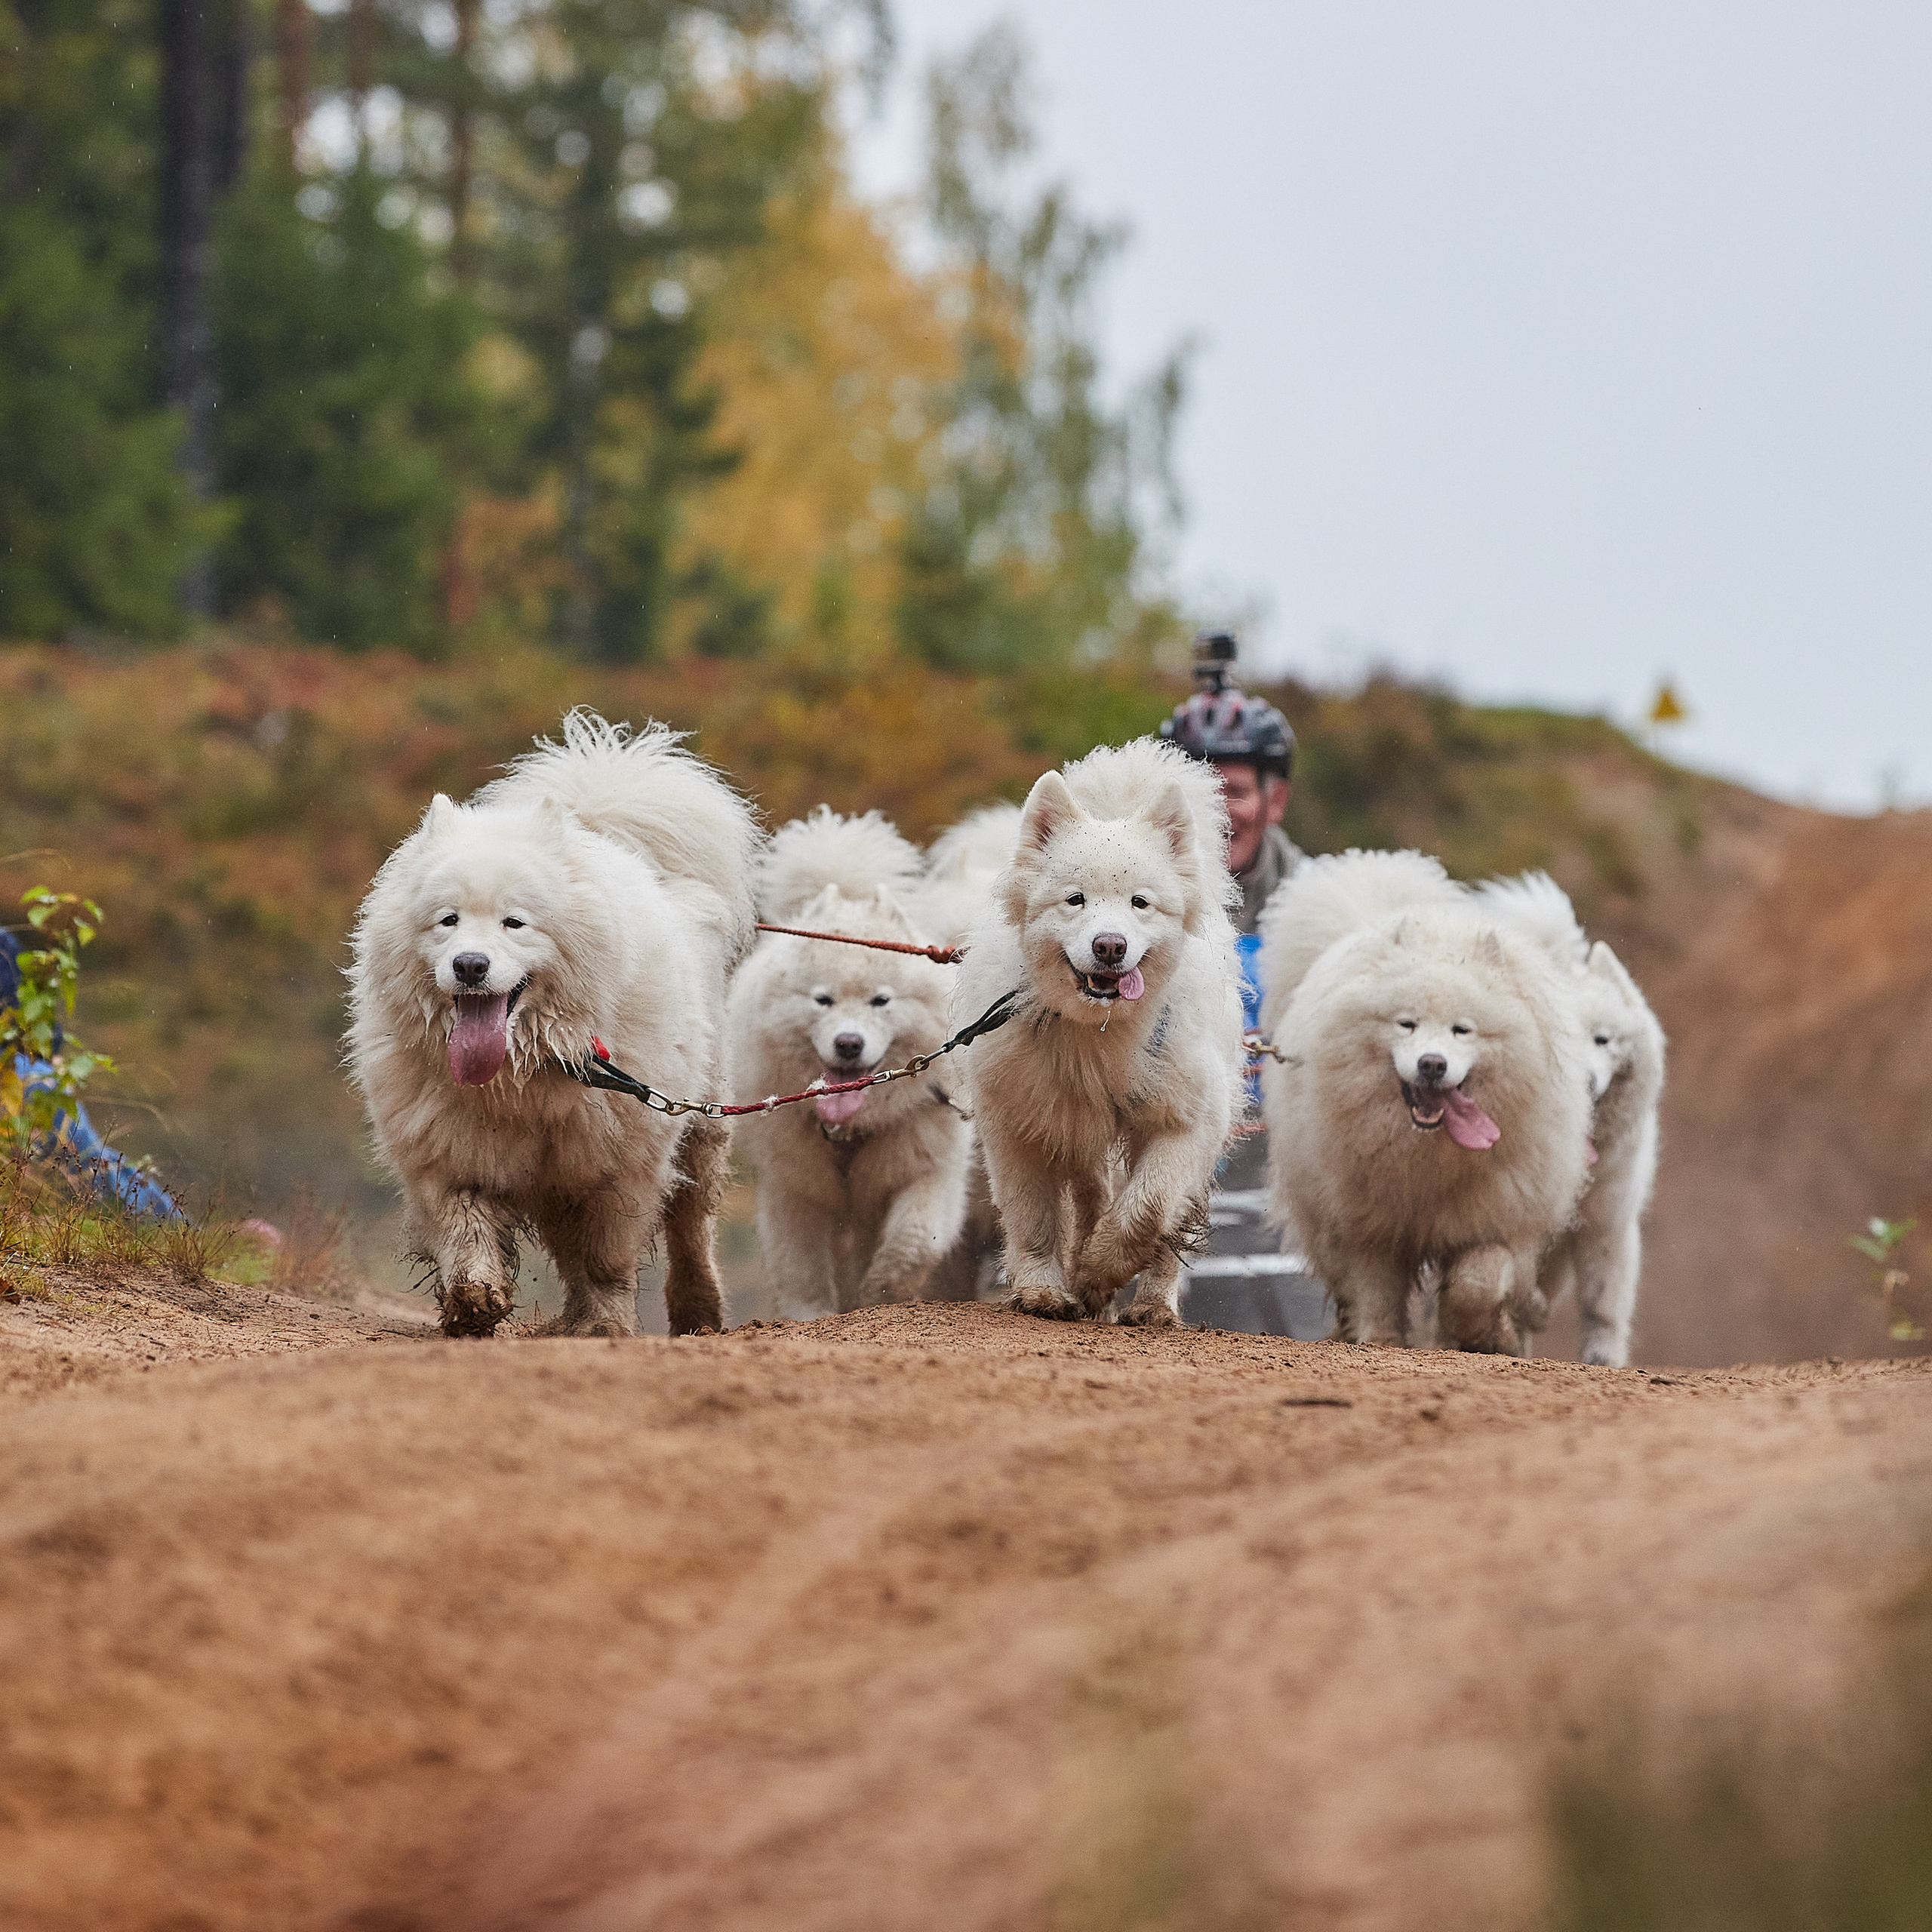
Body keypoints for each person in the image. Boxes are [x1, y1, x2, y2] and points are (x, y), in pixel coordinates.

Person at [1158, 630, 1327, 1337]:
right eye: (1198, 793)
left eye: (1232, 790)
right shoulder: (1134, 909)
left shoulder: (1324, 906)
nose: (1218, 813)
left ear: (1275, 798)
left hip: (1289, 1177)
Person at [1, 928, 180, 1218]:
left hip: (18, 1075)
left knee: (94, 1166)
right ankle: (182, 1229)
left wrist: (48, 1054)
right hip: (19, 1080)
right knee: (95, 1168)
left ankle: (184, 1230)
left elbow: (28, 1025)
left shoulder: (3, 946)